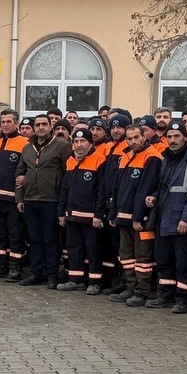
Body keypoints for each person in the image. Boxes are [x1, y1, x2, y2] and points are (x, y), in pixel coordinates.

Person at [150, 119, 187, 313]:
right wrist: (153, 196)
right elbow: (163, 186)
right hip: (163, 217)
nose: (172, 140)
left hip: (181, 219)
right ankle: (165, 295)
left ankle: (183, 299)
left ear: (185, 137)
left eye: (177, 136)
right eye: (169, 136)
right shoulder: (166, 157)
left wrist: (186, 219)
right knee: (164, 260)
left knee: (183, 263)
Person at [108, 117, 162, 306]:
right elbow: (116, 188)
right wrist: (113, 213)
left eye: (136, 137)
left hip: (141, 219)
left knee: (143, 257)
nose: (133, 141)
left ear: (144, 136)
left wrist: (138, 217)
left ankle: (143, 290)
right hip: (123, 216)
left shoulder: (152, 156)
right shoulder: (126, 156)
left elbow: (145, 188)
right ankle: (131, 287)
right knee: (126, 255)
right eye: (129, 138)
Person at [16, 114, 71, 288]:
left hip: (51, 200)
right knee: (34, 239)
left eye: (44, 124)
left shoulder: (62, 146)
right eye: (38, 124)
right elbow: (20, 174)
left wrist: (63, 202)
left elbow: (68, 174)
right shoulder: (27, 148)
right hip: (30, 200)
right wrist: (19, 198)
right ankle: (37, 273)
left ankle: (52, 274)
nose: (41, 127)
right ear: (34, 128)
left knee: (51, 239)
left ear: (50, 127)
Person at [57, 127, 108, 293]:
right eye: (76, 141)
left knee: (93, 251)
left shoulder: (99, 159)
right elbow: (64, 189)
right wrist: (61, 212)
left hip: (91, 217)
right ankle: (75, 280)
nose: (79, 145)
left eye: (83, 141)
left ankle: (94, 282)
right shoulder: (70, 160)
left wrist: (98, 214)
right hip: (72, 215)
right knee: (74, 250)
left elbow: (102, 191)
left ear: (90, 143)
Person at [0, 111, 28, 282]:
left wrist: (21, 193)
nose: (6, 125)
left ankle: (15, 268)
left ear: (16, 124)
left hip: (13, 199)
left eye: (9, 121)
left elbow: (28, 169)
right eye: (3, 122)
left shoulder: (25, 143)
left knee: (15, 234)